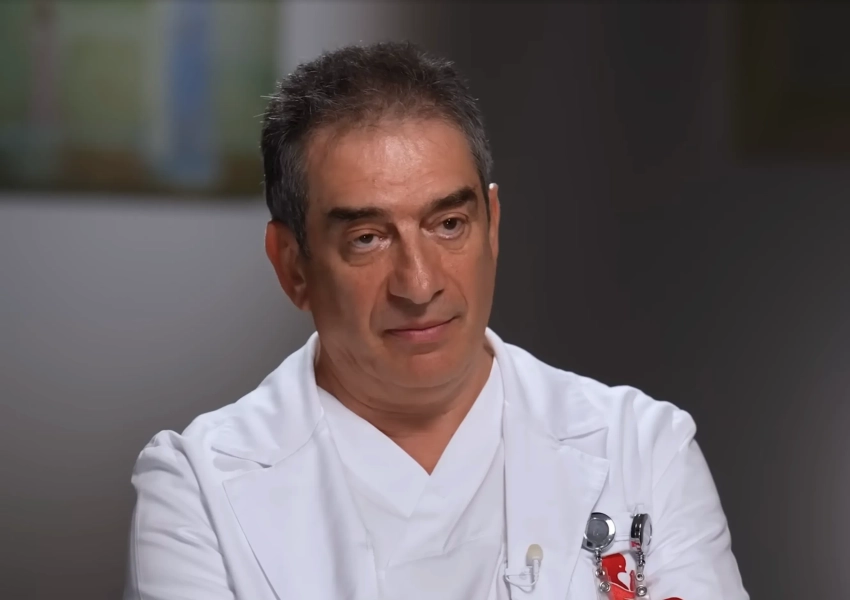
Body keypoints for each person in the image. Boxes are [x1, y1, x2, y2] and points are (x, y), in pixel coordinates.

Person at [124, 41, 748, 600]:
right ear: (292, 265)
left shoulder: (645, 450)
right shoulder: (196, 491)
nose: (419, 284)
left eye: (448, 225)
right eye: (368, 238)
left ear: (492, 226)